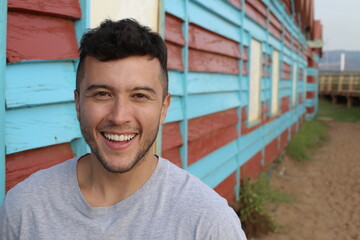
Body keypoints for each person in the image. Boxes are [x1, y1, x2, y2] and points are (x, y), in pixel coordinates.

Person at [0, 19, 247, 240]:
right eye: (102, 94)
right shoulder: (25, 208)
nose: (119, 117)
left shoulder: (208, 224)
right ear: (78, 105)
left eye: (139, 95)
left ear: (163, 108)